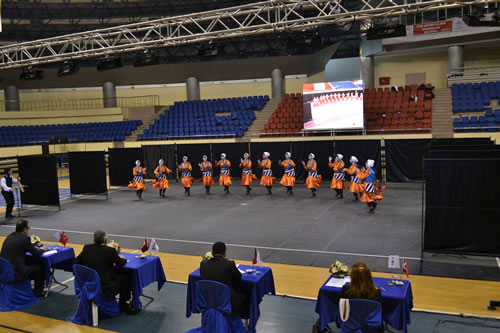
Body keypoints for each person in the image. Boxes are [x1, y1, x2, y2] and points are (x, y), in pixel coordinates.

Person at [75, 230, 136, 314]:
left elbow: (77, 262)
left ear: (94, 239)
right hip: (104, 287)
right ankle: (122, 304)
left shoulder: (86, 248)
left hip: (88, 284)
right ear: (105, 240)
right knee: (125, 277)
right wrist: (122, 258)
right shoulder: (109, 251)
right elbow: (121, 263)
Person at [200, 242, 250, 318]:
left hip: (207, 300)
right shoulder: (229, 264)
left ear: (212, 253)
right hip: (225, 301)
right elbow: (238, 278)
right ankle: (240, 322)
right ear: (225, 253)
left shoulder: (203, 264)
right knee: (247, 294)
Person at [0, 220, 48, 297]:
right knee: (39, 267)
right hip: (15, 273)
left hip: (4, 271)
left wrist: (31, 247)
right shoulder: (25, 239)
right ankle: (38, 292)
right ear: (25, 230)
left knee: (29, 263)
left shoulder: (10, 236)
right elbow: (36, 253)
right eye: (28, 228)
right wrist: (43, 250)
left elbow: (20, 247)